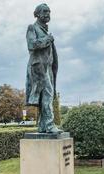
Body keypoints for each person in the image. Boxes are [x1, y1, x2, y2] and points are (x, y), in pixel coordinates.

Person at [25, 3, 62, 133]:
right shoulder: (32, 28)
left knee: (46, 97)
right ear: (38, 14)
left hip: (48, 68)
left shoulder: (45, 30)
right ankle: (50, 125)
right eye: (45, 12)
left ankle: (42, 126)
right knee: (48, 93)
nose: (48, 14)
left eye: (49, 12)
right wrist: (47, 39)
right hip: (39, 67)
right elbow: (31, 44)